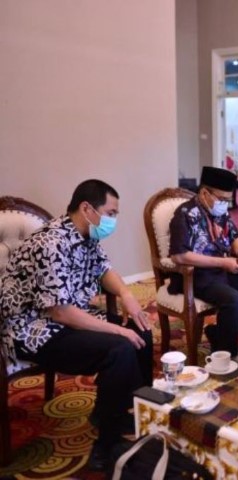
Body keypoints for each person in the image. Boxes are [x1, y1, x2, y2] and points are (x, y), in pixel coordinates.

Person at [0, 180, 154, 470]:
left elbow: (104, 269)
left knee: (141, 330)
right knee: (120, 347)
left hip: (69, 317)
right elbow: (60, 313)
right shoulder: (49, 243)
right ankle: (106, 446)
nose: (113, 220)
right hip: (34, 330)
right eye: (111, 213)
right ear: (87, 209)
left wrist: (126, 295)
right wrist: (117, 329)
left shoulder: (85, 235)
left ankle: (129, 409)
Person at [169, 166, 238, 355]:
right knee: (234, 299)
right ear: (205, 193)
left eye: (228, 200)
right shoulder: (184, 214)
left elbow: (234, 234)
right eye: (222, 199)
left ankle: (220, 335)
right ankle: (227, 355)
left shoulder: (219, 212)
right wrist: (222, 263)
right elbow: (179, 255)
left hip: (224, 268)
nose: (225, 205)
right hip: (196, 275)